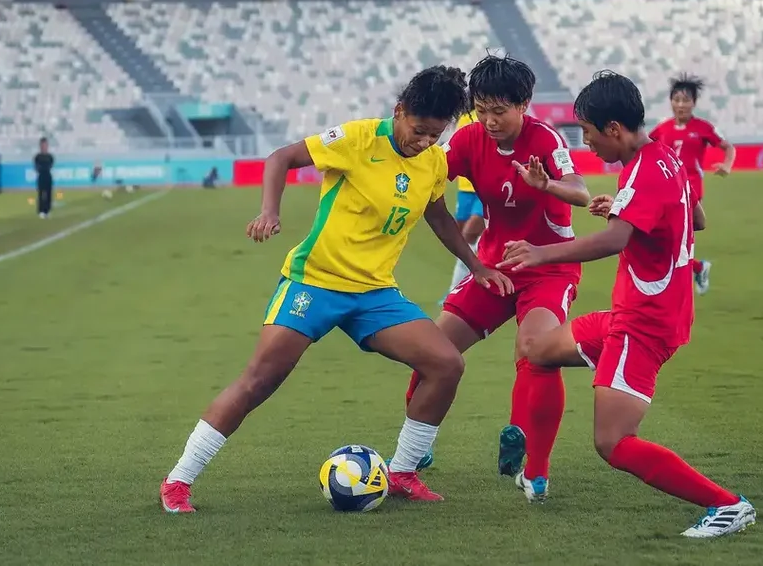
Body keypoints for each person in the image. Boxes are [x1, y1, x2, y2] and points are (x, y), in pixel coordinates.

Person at [159, 66, 513, 514]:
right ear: (399, 111)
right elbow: (280, 158)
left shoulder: (433, 161)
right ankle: (178, 481)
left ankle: (403, 472)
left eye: (435, 135)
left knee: (445, 364)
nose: (425, 142)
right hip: (315, 282)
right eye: (419, 130)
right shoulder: (357, 138)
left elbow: (438, 215)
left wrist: (476, 266)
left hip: (375, 294)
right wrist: (270, 211)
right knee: (260, 380)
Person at [500, 70, 755, 538]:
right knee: (537, 352)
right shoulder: (664, 156)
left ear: (614, 128)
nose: (587, 143)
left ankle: (727, 505)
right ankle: (535, 475)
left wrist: (542, 253)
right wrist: (626, 205)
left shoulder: (645, 169)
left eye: (589, 133)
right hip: (633, 315)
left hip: (644, 325)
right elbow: (695, 217)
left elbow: (616, 240)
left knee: (612, 442)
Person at [403, 54, 590, 501]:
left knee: (536, 351)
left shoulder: (545, 138)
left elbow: (581, 192)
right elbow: (427, 175)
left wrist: (547, 185)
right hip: (494, 266)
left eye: (499, 111)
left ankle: (534, 469)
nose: (488, 121)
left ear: (524, 105)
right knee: (433, 351)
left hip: (548, 268)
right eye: (481, 109)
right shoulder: (469, 138)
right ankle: (417, 445)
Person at [650, 75, 735, 295]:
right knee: (664, 239)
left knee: (674, 240)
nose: (681, 104)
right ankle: (697, 268)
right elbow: (644, 149)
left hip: (691, 191)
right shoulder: (662, 129)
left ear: (694, 103)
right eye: (676, 99)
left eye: (686, 100)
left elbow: (728, 147)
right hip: (665, 190)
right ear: (671, 101)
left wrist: (727, 165)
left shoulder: (703, 127)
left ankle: (678, 283)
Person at [443, 111, 487, 299]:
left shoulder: (488, 118)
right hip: (465, 188)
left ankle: (459, 291)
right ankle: (459, 288)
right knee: (463, 239)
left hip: (483, 189)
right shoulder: (464, 118)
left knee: (469, 235)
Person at [34, 138, 55, 219]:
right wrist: (41, 169)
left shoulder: (50, 156)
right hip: (41, 176)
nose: (44, 146)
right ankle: (41, 211)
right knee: (41, 194)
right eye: (42, 145)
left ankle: (48, 210)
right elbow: (36, 167)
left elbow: (51, 165)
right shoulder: (37, 157)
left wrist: (45, 168)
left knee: (49, 193)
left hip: (48, 176)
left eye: (45, 145)